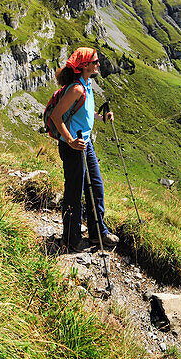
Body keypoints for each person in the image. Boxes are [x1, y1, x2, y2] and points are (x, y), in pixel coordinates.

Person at [51, 47, 120, 251]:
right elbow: (56, 116)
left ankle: (98, 233)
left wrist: (102, 117)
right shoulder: (76, 89)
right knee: (74, 192)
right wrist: (71, 140)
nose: (98, 64)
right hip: (73, 146)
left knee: (96, 188)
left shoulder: (88, 83)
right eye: (95, 61)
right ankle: (71, 239)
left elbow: (84, 112)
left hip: (86, 143)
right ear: (85, 65)